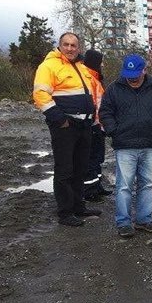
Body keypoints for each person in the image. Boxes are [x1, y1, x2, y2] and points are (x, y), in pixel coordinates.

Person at [99, 54, 152, 238]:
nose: (132, 78)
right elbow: (105, 111)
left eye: (135, 74)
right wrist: (113, 130)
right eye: (128, 74)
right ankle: (123, 222)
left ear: (144, 70)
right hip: (124, 145)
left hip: (149, 144)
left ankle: (143, 219)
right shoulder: (114, 89)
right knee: (124, 186)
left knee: (147, 184)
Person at [33, 32, 101, 227]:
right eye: (66, 44)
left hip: (84, 125)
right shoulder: (49, 66)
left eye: (73, 45)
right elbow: (40, 95)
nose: (70, 48)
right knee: (64, 170)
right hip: (65, 126)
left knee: (80, 168)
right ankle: (65, 212)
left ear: (78, 47)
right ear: (60, 46)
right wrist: (59, 119)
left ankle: (79, 206)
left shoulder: (81, 66)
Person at [81, 49, 113, 202]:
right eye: (101, 62)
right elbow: (93, 102)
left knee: (98, 157)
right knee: (90, 158)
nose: (103, 65)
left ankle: (97, 186)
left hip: (98, 125)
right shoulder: (88, 77)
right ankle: (89, 191)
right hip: (92, 125)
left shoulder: (95, 77)